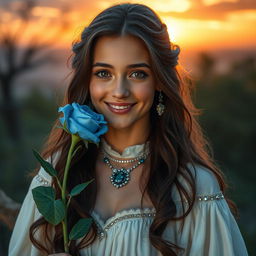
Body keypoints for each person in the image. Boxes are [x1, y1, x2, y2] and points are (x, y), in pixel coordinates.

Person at [9, 3, 248, 256]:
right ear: (86, 81)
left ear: (159, 81)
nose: (120, 91)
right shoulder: (56, 175)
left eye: (137, 74)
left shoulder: (194, 189)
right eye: (103, 73)